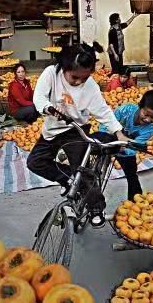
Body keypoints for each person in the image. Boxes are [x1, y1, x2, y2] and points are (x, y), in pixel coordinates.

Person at [27, 43, 130, 193]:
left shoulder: (90, 86)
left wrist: (119, 132)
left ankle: (96, 210)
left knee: (83, 173)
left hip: (76, 131)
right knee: (35, 162)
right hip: (52, 131)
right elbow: (39, 97)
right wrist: (48, 108)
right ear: (64, 67)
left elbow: (103, 111)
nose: (79, 82)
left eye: (85, 77)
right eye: (75, 77)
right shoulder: (51, 74)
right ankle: (68, 179)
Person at [100, 89, 153, 200]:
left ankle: (135, 201)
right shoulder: (127, 110)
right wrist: (104, 138)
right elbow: (108, 122)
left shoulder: (149, 130)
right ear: (140, 106)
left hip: (125, 152)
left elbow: (136, 146)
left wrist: (123, 149)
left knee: (132, 176)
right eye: (146, 114)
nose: (148, 119)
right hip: (108, 141)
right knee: (97, 171)